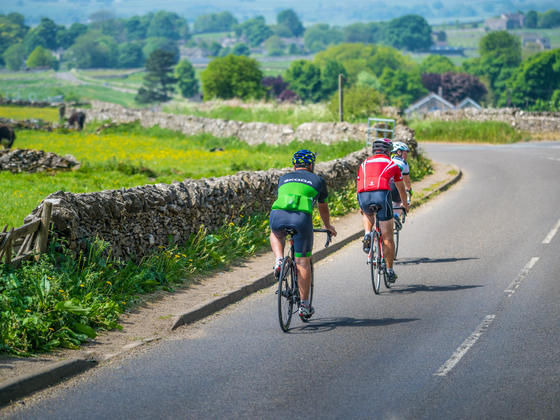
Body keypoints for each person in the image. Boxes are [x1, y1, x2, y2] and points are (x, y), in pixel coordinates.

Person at [269, 149, 337, 320]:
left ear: (294, 165)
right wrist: (327, 225)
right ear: (311, 165)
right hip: (301, 220)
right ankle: (304, 306)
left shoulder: (283, 178)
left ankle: (278, 260)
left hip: (277, 215)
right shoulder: (318, 181)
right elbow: (323, 208)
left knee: (276, 234)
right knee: (302, 262)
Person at [357, 138, 409, 283]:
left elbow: (359, 183)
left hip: (363, 194)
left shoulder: (364, 163)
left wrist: (361, 206)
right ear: (388, 151)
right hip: (381, 194)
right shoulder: (392, 164)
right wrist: (405, 204)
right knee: (387, 238)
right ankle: (389, 270)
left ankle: (367, 233)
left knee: (367, 212)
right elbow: (401, 189)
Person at [390, 141, 413, 221]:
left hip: (383, 185)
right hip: (394, 186)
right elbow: (407, 181)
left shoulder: (387, 160)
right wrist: (409, 190)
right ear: (399, 152)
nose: (406, 155)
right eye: (405, 153)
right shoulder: (404, 163)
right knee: (399, 202)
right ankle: (396, 215)